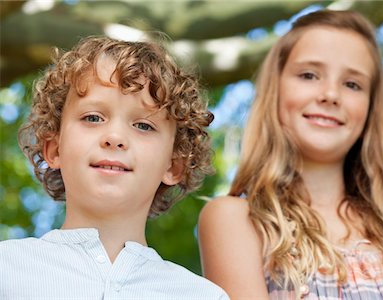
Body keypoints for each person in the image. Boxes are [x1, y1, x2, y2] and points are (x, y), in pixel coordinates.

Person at [198, 9, 383, 300]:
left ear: (371, 109)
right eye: (309, 75)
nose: (330, 94)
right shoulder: (237, 220)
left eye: (352, 84)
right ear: (275, 90)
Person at [0, 36, 229, 300]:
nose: (115, 137)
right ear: (54, 149)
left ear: (174, 165)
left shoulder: (202, 296)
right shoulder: (7, 271)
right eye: (93, 118)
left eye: (143, 125)